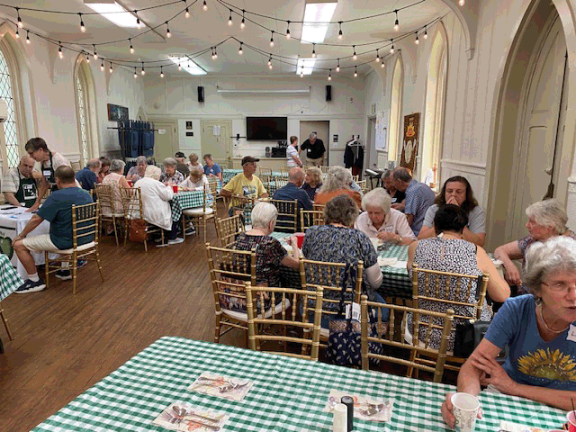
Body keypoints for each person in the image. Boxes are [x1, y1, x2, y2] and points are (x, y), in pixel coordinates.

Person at [441, 236, 576, 426]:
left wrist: (515, 387)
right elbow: (472, 368)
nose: (573, 296)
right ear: (538, 289)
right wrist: (466, 402)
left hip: (566, 413)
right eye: (560, 285)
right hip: (508, 400)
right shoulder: (517, 309)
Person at [407, 204, 510, 350]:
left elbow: (413, 279)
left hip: (423, 331)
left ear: (435, 226)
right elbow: (502, 295)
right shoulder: (476, 251)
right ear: (463, 229)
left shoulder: (415, 247)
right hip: (466, 336)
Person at [302, 195, 387, 323]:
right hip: (351, 312)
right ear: (352, 215)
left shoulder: (311, 233)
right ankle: (369, 340)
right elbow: (375, 282)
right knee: (384, 309)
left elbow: (306, 263)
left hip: (315, 308)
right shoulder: (360, 238)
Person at [12, 166, 94, 293]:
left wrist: (22, 234)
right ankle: (64, 270)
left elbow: (35, 220)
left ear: (57, 180)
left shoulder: (57, 196)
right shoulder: (86, 194)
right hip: (86, 239)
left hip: (64, 242)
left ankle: (34, 281)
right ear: (74, 177)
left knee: (18, 245)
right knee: (65, 229)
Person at [494, 199, 576, 293]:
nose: (527, 225)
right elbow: (500, 251)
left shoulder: (571, 248)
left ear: (549, 226)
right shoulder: (532, 240)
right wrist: (509, 266)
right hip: (526, 298)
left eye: (532, 222)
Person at [232, 202, 300, 290]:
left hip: (241, 293)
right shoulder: (270, 243)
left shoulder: (240, 237)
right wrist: (294, 244)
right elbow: (296, 265)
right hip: (266, 297)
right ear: (271, 224)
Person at [418, 176, 486, 246]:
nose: (453, 194)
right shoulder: (434, 209)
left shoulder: (476, 211)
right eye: (449, 191)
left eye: (459, 192)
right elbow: (421, 238)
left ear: (466, 194)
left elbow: (479, 243)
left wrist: (457, 213)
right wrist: (443, 214)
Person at [134, 166, 183, 245]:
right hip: (153, 211)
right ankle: (172, 236)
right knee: (174, 210)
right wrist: (169, 187)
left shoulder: (138, 182)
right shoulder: (155, 183)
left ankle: (158, 235)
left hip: (140, 211)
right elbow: (168, 196)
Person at [25, 137, 74, 210]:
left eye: (32, 153)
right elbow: (45, 182)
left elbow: (68, 182)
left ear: (40, 150)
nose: (31, 157)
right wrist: (37, 202)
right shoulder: (43, 162)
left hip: (69, 193)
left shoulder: (58, 160)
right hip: (57, 191)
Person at [392, 167, 435, 236]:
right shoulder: (422, 186)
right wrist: (403, 207)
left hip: (418, 233)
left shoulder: (412, 191)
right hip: (429, 231)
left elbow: (409, 218)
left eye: (393, 182)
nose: (393, 185)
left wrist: (397, 234)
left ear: (399, 181)